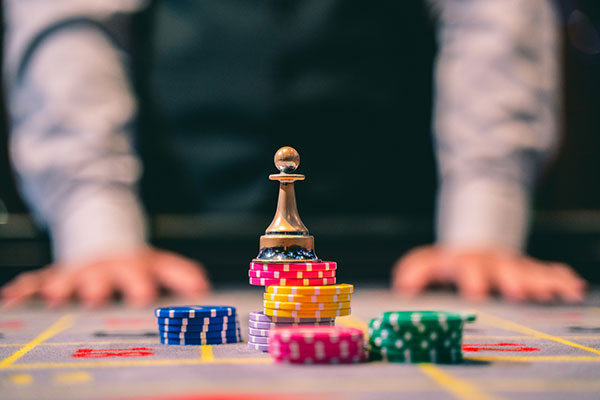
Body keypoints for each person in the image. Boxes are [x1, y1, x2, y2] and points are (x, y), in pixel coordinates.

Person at [1, 0, 586, 308]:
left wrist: (484, 223)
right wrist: (96, 230)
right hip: (163, 242)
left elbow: (492, 17)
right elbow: (69, 26)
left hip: (413, 235)